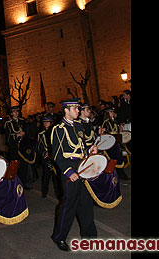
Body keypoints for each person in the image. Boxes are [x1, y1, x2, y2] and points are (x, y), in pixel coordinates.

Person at [50, 99, 99, 251]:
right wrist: (69, 172)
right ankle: (59, 237)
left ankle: (89, 235)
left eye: (78, 109)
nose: (78, 111)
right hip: (69, 169)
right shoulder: (58, 129)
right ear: (66, 110)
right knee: (69, 205)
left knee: (86, 203)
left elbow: (83, 145)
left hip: (82, 167)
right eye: (75, 109)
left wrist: (91, 150)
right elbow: (58, 155)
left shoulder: (78, 125)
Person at [4, 106, 32, 189]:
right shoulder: (8, 124)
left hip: (23, 147)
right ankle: (14, 184)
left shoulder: (23, 121)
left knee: (24, 166)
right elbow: (7, 137)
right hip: (14, 148)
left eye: (17, 112)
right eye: (14, 112)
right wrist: (17, 135)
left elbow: (28, 132)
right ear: (11, 113)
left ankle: (23, 183)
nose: (16, 113)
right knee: (15, 166)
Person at [37, 115, 62, 200]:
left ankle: (59, 194)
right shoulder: (41, 134)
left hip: (54, 156)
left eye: (47, 122)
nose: (46, 124)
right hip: (46, 157)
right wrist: (45, 153)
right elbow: (39, 146)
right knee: (46, 175)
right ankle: (44, 193)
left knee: (56, 176)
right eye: (44, 122)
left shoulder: (54, 132)